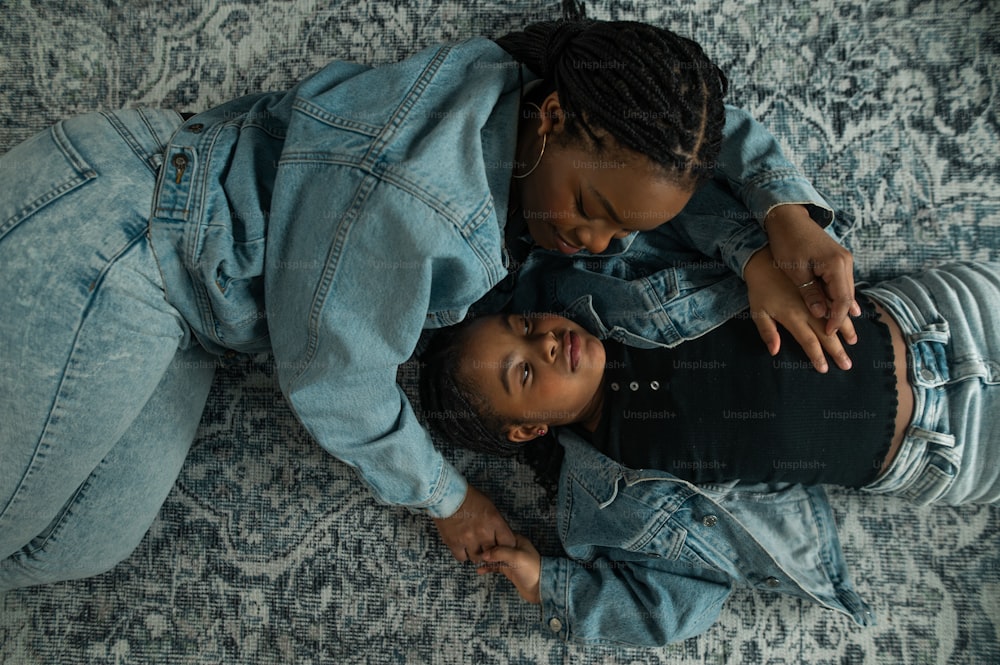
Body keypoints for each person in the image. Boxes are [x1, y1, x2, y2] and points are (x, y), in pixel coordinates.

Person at [0, 12, 855, 590]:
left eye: (619, 235)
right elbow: (336, 383)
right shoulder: (423, 205)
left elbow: (691, 131)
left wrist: (777, 223)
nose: (600, 247)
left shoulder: (537, 89)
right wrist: (450, 498)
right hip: (132, 237)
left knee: (77, 540)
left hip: (195, 319)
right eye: (593, 214)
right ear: (554, 119)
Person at [419, 254, 1000, 645]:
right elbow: (673, 608)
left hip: (939, 316)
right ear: (526, 430)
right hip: (947, 447)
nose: (545, 341)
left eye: (523, 324)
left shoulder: (599, 285)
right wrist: (544, 582)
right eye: (522, 373)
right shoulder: (611, 501)